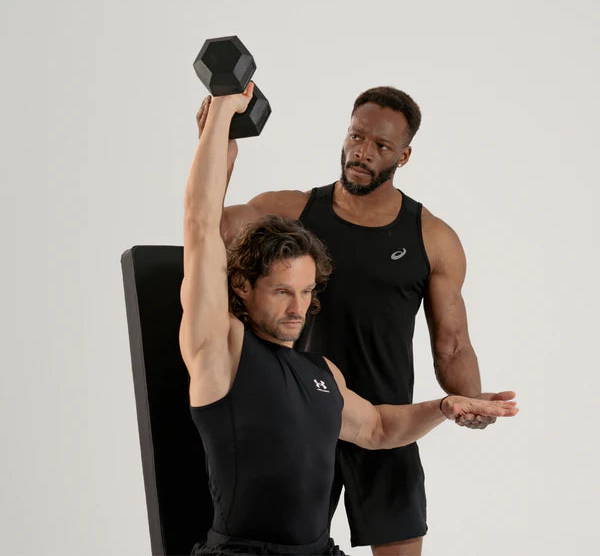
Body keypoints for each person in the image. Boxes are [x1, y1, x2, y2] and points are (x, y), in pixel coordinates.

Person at [180, 83, 518, 556]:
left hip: (375, 413)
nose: (363, 152)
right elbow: (206, 232)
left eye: (381, 145)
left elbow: (453, 344)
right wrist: (221, 143)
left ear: (404, 156)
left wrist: (469, 403)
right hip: (296, 409)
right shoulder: (291, 210)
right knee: (281, 532)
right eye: (356, 136)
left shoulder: (433, 237)